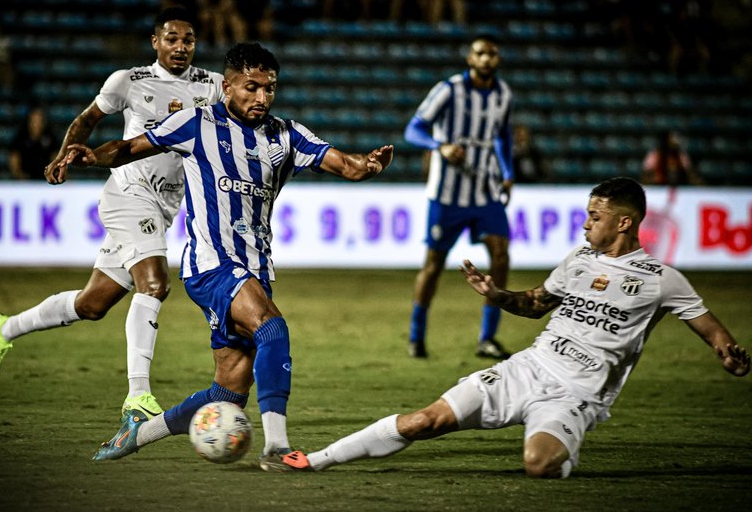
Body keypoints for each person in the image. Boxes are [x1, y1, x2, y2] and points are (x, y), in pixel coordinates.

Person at [60, 42, 394, 471]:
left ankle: (138, 434)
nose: (261, 98)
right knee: (272, 328)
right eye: (251, 87)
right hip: (211, 265)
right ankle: (276, 446)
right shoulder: (196, 124)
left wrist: (368, 165)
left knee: (227, 392)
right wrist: (92, 156)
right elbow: (131, 148)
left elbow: (345, 165)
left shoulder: (286, 134)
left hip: (255, 267)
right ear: (228, 85)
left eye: (269, 89)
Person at [279, 176, 750, 477]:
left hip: (576, 394)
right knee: (426, 420)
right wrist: (496, 295)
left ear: (624, 222)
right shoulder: (579, 259)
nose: (586, 224)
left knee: (538, 466)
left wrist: (726, 352)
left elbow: (710, 329)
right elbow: (536, 304)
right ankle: (318, 459)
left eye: (596, 217)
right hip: (528, 367)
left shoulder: (661, 280)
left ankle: (566, 446)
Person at [0, 7, 226, 423]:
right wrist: (63, 157)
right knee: (155, 283)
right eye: (171, 39)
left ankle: (4, 328)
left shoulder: (213, 85)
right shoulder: (128, 81)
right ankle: (138, 396)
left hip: (167, 203)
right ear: (155, 42)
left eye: (188, 40)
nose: (180, 47)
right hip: (128, 193)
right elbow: (87, 120)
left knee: (92, 304)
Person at [404, 33, 514, 359]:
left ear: (497, 59)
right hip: (447, 194)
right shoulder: (448, 90)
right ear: (470, 58)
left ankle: (487, 338)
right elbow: (414, 129)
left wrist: (507, 173)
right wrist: (441, 146)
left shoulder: (503, 94)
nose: (486, 59)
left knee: (501, 254)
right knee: (434, 265)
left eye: (492, 54)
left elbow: (503, 137)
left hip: (484, 190)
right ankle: (416, 335)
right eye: (480, 53)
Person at [8, 105, 58, 180]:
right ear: (29, 122)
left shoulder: (50, 137)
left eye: (39, 121)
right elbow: (14, 157)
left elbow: (56, 159)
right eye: (34, 121)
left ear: (44, 122)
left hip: (46, 180)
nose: (36, 124)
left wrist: (54, 173)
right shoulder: (21, 137)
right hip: (25, 180)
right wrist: (18, 174)